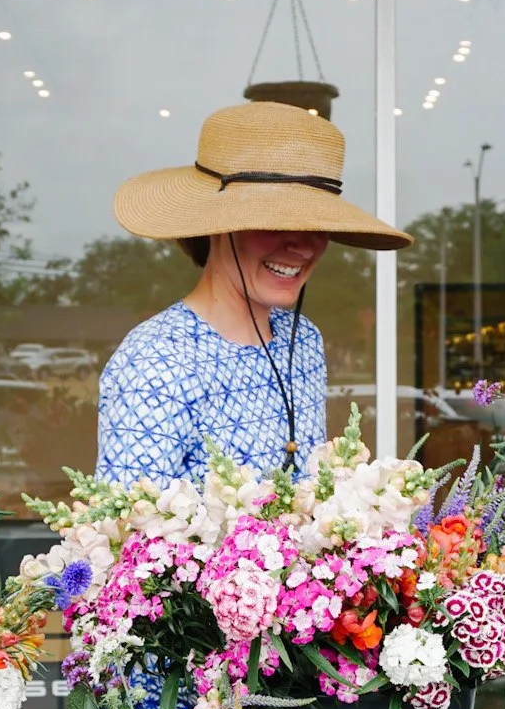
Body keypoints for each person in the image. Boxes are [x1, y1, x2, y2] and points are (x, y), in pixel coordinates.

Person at [97, 100, 409, 484]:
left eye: (317, 224)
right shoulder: (157, 360)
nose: (304, 246)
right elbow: (130, 531)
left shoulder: (303, 338)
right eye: (275, 221)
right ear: (218, 225)